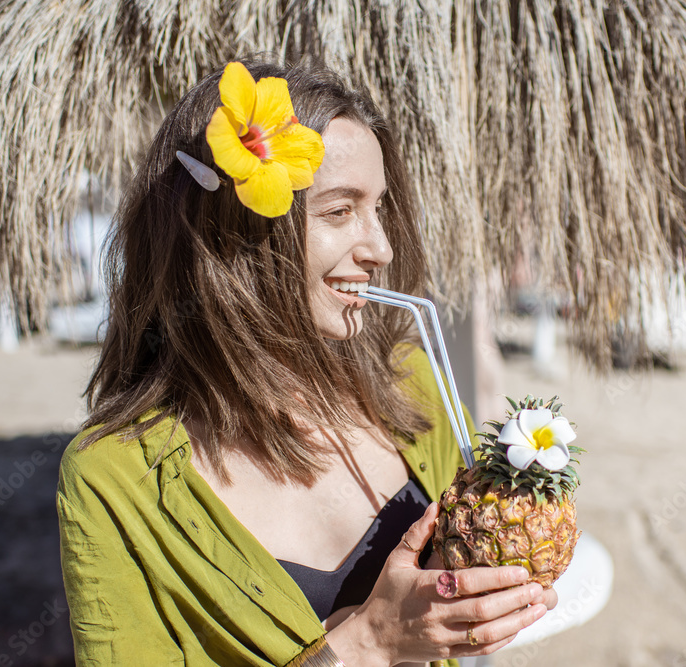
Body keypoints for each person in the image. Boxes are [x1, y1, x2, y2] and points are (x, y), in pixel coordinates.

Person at [57, 57, 557, 667]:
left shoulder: (413, 387)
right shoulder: (115, 479)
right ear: (233, 239)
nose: (380, 247)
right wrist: (366, 643)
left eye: (378, 208)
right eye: (339, 211)